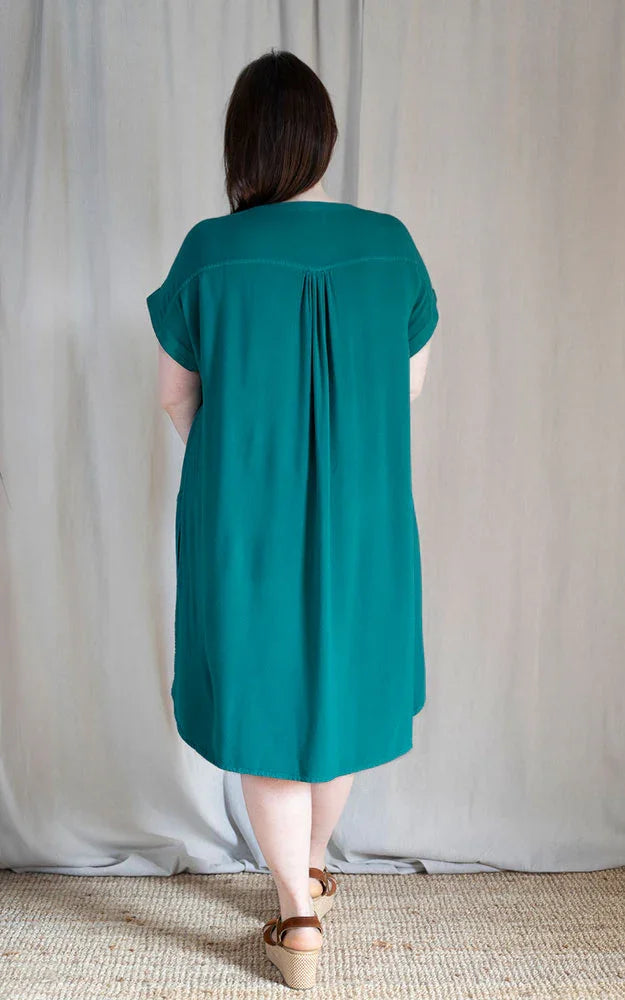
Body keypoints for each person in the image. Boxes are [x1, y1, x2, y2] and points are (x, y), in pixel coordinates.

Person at [146, 48, 439, 991]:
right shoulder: (389, 246)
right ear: (323, 139)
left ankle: (297, 916)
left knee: (264, 700)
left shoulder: (210, 251)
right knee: (337, 696)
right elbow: (405, 387)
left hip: (245, 519)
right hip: (362, 520)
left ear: (242, 145)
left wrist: (241, 459)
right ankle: (309, 872)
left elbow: (175, 398)